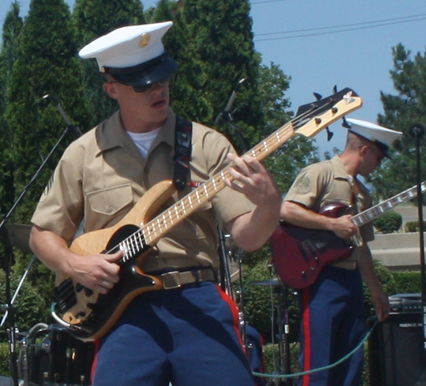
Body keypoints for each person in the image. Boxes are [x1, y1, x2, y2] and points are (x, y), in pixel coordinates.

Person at [29, 21, 281, 386]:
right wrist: (74, 264)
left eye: (162, 78)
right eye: (142, 84)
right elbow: (42, 235)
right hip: (123, 313)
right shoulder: (83, 153)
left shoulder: (207, 144)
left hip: (197, 299)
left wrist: (269, 204)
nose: (157, 89)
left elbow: (249, 237)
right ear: (112, 88)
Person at [279, 118, 402, 386]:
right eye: (379, 157)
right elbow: (287, 210)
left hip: (351, 280)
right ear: (365, 150)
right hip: (321, 280)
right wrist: (331, 224)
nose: (379, 165)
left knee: (351, 366)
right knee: (317, 365)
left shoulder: (363, 195)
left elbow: (362, 247)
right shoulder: (320, 173)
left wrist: (376, 291)